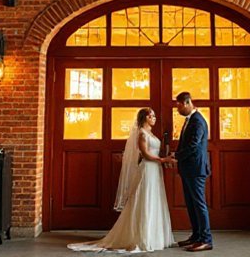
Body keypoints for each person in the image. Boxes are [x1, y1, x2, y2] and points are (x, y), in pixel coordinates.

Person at [68, 108, 175, 253]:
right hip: (147, 169)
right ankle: (142, 236)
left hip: (155, 170)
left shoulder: (151, 134)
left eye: (155, 116)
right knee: (144, 199)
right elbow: (145, 154)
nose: (154, 118)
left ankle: (155, 236)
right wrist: (163, 160)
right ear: (145, 118)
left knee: (154, 198)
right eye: (152, 116)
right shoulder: (142, 134)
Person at [173, 92, 212, 252]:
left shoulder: (197, 121)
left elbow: (193, 146)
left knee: (199, 204)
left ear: (187, 103)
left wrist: (176, 156)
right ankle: (196, 236)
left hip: (196, 169)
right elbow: (184, 143)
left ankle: (206, 239)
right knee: (191, 204)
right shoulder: (189, 121)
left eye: (179, 106)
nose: (178, 110)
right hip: (188, 169)